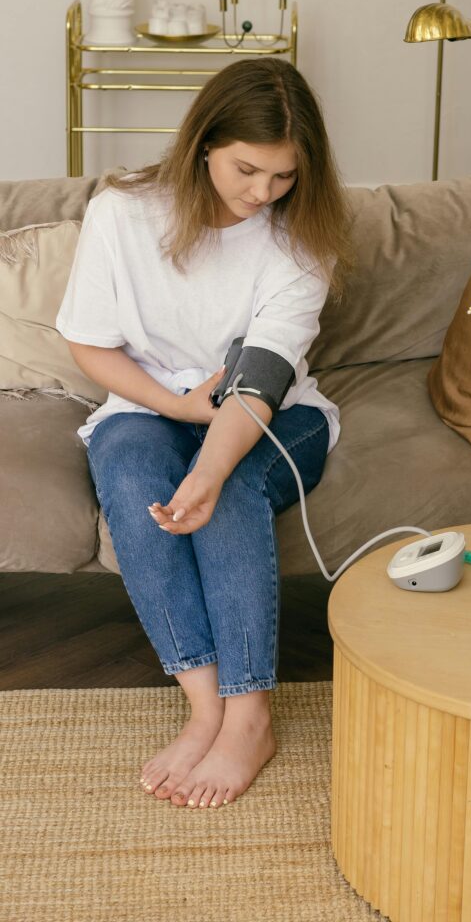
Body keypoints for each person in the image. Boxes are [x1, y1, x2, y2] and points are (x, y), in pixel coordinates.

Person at [57, 57, 351, 810]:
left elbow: (261, 380)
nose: (263, 194)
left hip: (277, 410)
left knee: (232, 485)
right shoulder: (123, 213)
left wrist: (211, 465)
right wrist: (179, 406)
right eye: (248, 170)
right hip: (156, 402)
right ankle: (207, 707)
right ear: (203, 146)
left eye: (284, 176)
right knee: (127, 468)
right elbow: (90, 344)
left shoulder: (300, 238)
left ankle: (251, 716)